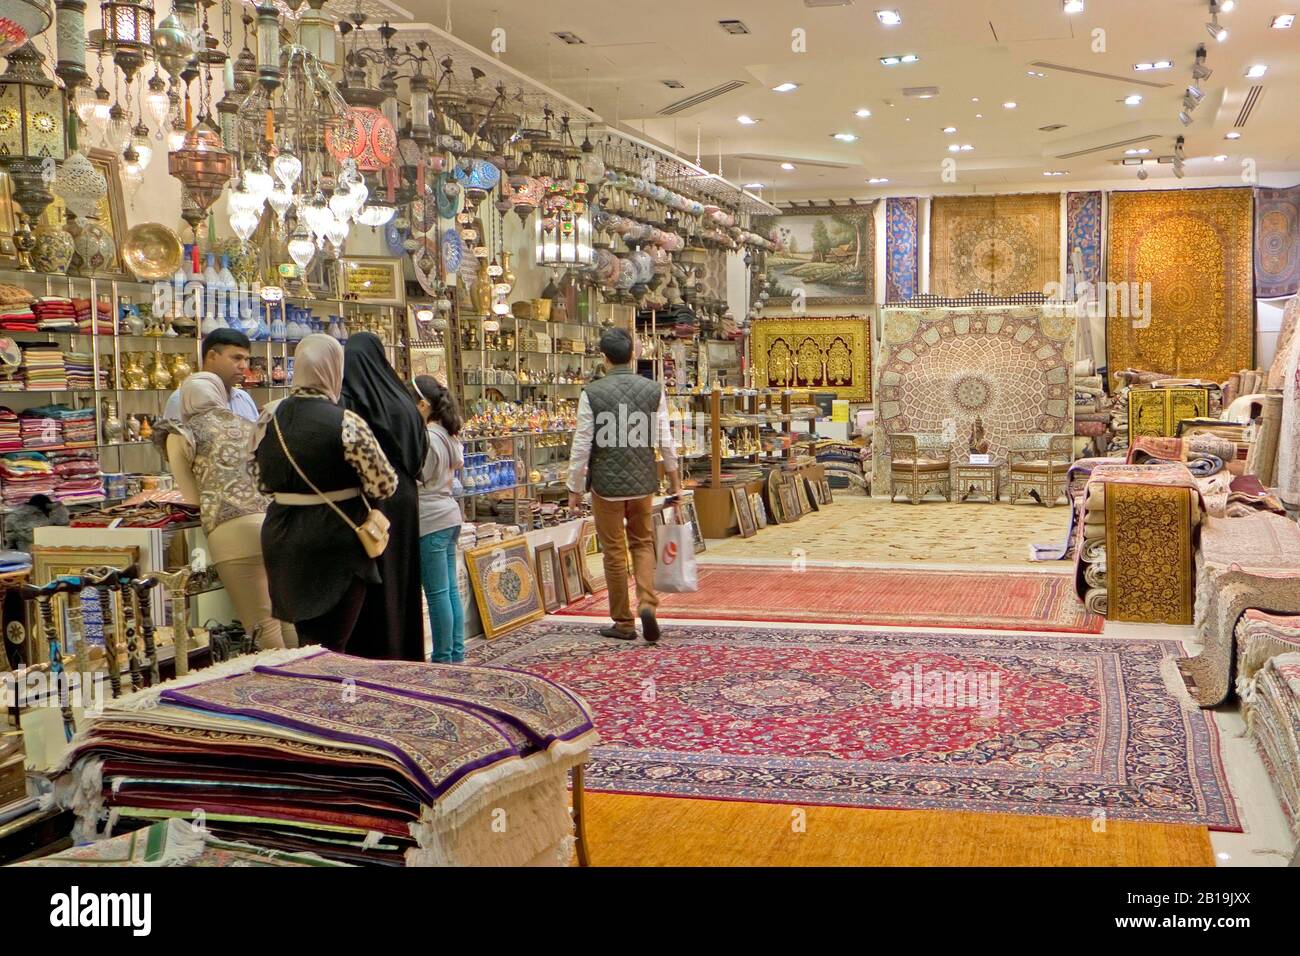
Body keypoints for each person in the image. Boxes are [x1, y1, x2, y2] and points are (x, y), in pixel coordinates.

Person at [253, 335, 398, 652]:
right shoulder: (346, 422)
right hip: (335, 538)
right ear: (334, 368)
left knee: (307, 640)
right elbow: (384, 483)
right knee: (333, 643)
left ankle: (306, 695)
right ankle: (329, 697)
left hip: (282, 536)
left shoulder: (268, 417)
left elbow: (258, 480)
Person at [567, 327, 681, 643]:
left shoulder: (592, 393)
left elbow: (581, 446)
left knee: (614, 550)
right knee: (642, 543)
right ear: (633, 355)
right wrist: (675, 483)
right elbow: (665, 441)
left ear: (604, 357)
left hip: (606, 485)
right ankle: (647, 602)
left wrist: (574, 488)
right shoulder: (653, 390)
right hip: (644, 480)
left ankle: (623, 621)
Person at [162, 372, 285, 650]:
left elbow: (192, 498)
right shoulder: (247, 423)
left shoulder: (182, 433)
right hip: (274, 524)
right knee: (286, 618)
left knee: (262, 625)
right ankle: (312, 680)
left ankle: (287, 687)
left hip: (231, 532)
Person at [339, 332, 428, 661]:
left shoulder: (352, 400)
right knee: (403, 580)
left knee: (376, 582)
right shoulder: (402, 399)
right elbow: (420, 453)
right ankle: (406, 652)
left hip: (372, 501)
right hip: (405, 497)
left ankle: (378, 654)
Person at [410, 375, 465, 664]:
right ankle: (455, 652)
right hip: (447, 513)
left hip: (431, 517)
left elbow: (424, 478)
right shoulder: (446, 432)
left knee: (438, 593)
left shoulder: (430, 436)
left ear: (422, 404)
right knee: (449, 590)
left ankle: (444, 656)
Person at [162, 328, 258, 423]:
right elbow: (175, 437)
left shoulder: (244, 398)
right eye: (237, 358)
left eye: (246, 360)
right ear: (212, 356)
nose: (244, 366)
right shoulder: (183, 398)